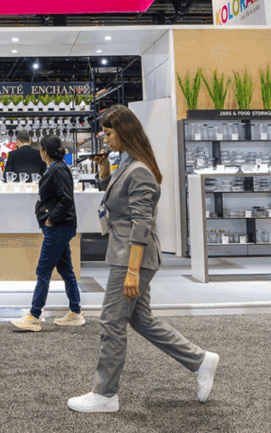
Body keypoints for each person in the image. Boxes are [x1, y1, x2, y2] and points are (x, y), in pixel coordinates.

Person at [68, 105, 219, 413]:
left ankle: (104, 395)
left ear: (123, 132)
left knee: (112, 322)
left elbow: (141, 225)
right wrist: (105, 171)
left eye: (108, 133)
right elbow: (118, 202)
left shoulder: (139, 170)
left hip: (131, 257)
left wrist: (133, 271)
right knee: (141, 319)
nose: (105, 139)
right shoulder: (128, 163)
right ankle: (200, 360)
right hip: (127, 254)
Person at [11, 134, 83, 331]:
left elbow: (66, 199)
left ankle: (34, 316)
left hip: (59, 227)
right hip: (61, 226)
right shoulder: (57, 167)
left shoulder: (58, 169)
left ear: (44, 152)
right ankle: (75, 312)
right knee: (66, 270)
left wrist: (51, 219)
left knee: (43, 270)